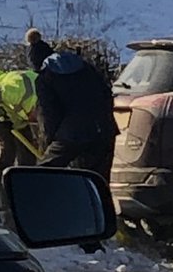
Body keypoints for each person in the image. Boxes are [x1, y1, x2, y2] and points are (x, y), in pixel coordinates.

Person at [35, 47, 118, 182]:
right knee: (97, 180)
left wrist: (49, 140)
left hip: (72, 134)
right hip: (104, 130)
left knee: (43, 172)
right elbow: (107, 95)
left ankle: (33, 201)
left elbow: (48, 113)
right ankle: (100, 202)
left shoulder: (45, 77)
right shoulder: (86, 67)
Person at [0, 66, 40, 172]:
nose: (36, 122)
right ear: (35, 108)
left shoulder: (45, 99)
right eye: (36, 119)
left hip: (16, 114)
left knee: (29, 152)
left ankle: (26, 180)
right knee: (8, 147)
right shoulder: (14, 91)